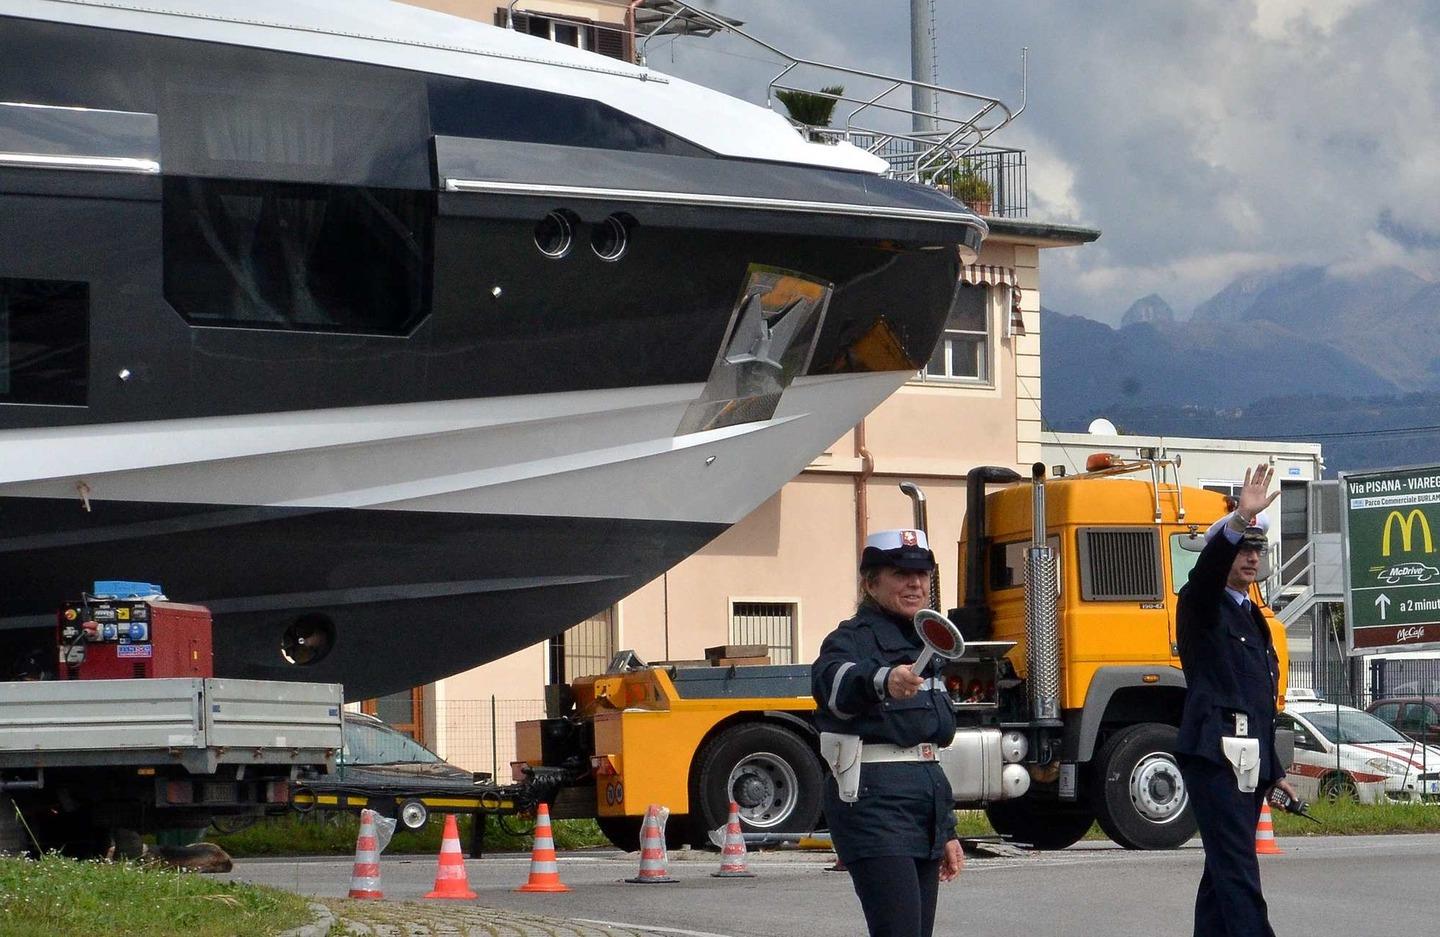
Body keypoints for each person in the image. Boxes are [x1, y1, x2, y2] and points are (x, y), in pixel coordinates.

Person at [811, 529, 963, 937]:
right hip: (874, 805)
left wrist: (945, 831)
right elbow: (833, 685)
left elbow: (926, 747)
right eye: (900, 573)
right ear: (870, 582)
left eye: (923, 574)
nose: (915, 583)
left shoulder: (925, 642)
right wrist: (881, 680)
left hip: (922, 804)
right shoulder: (851, 639)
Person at [1175, 462, 1298, 937]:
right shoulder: (1202, 602)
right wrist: (1238, 520)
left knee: (1221, 876)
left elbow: (1256, 701)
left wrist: (1274, 770)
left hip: (1247, 762)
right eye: (1242, 547)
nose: (1250, 557)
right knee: (1238, 872)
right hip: (1216, 758)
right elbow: (1206, 575)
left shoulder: (1253, 616)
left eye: (1257, 548)